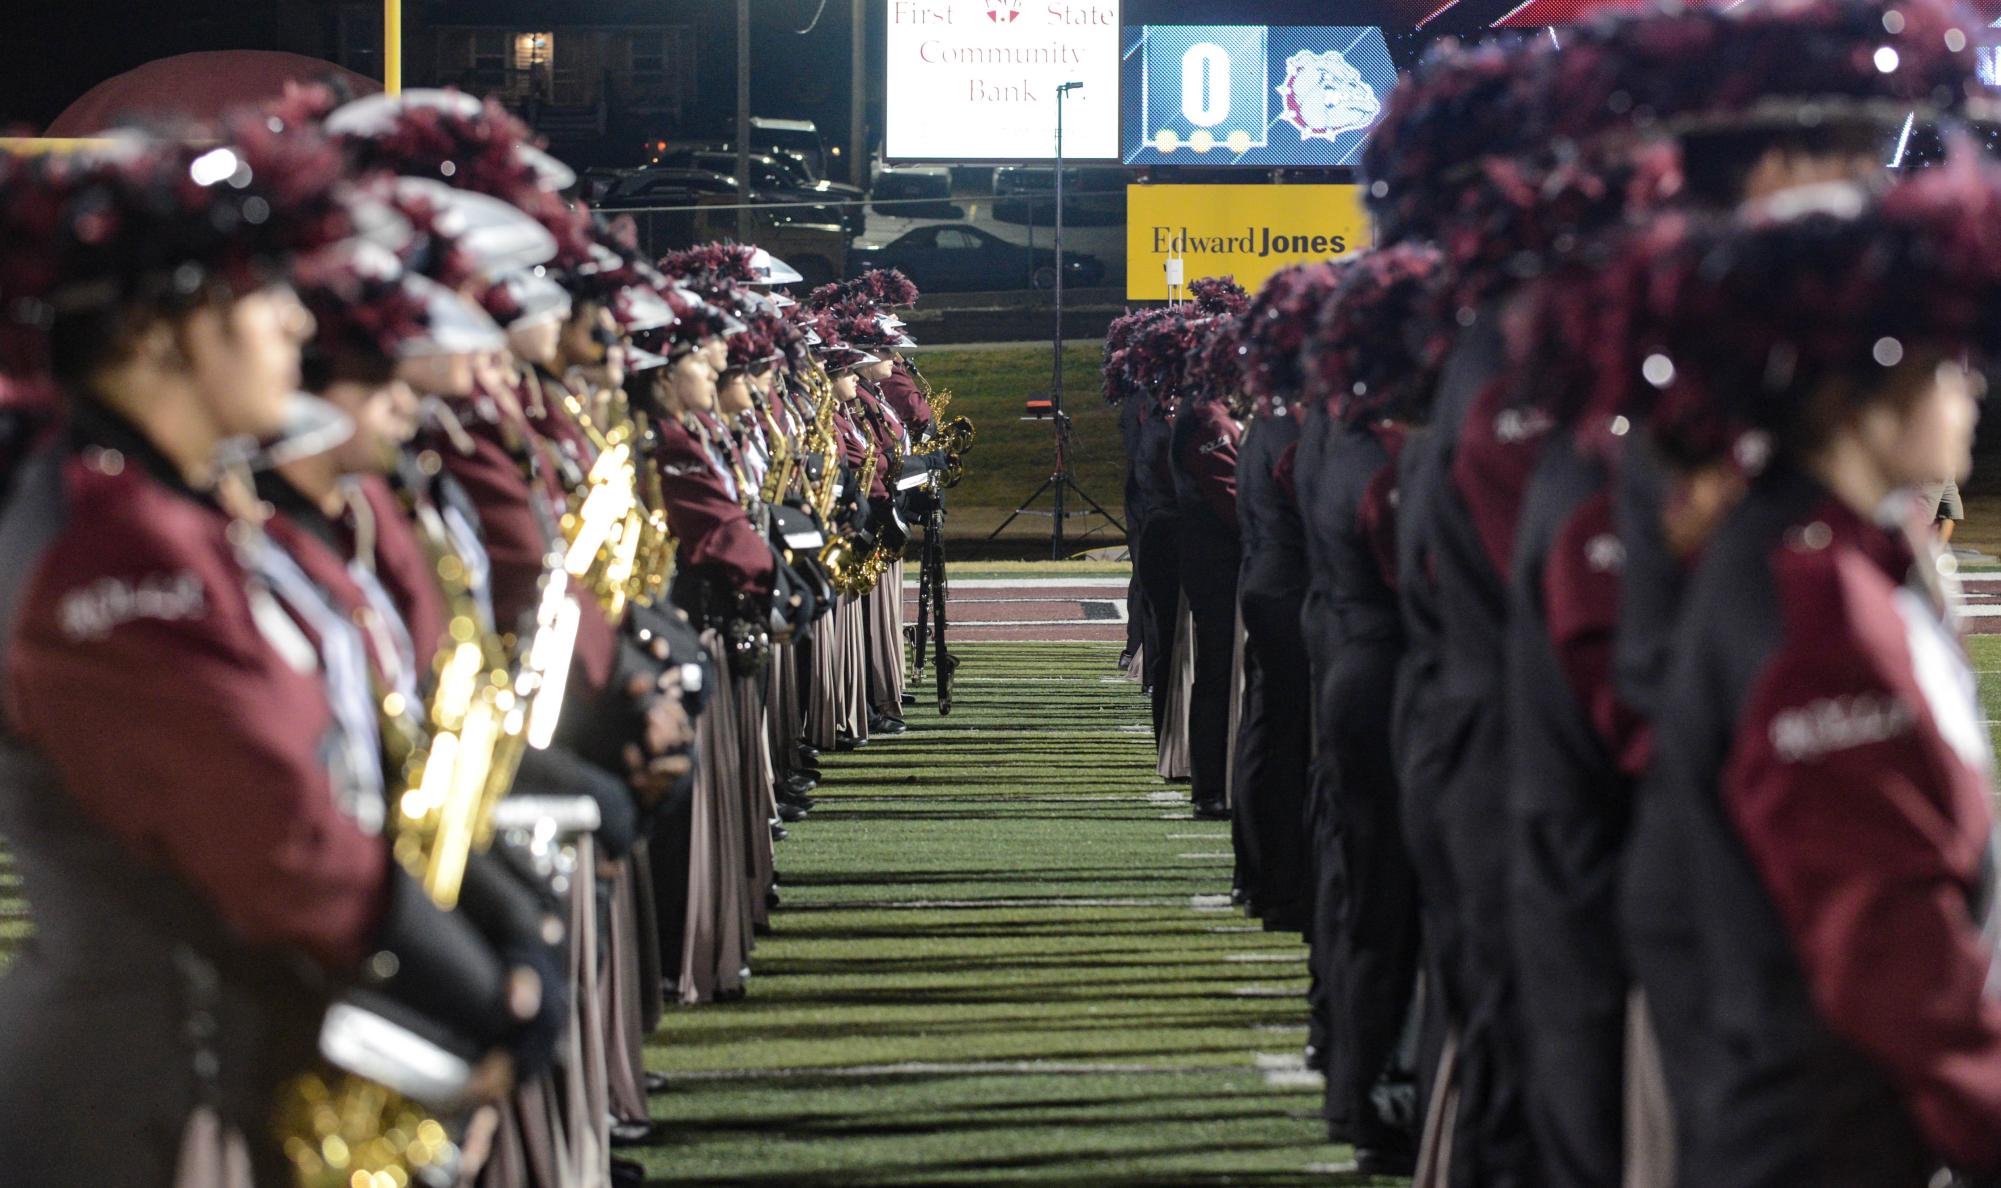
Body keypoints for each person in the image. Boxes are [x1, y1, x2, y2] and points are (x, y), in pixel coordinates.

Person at [1636, 162, 2001, 1188]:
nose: (1971, 385)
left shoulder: (1809, 558)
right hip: (1835, 1131)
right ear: (1856, 398)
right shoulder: (1821, 606)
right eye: (1944, 362)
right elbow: (1893, 967)